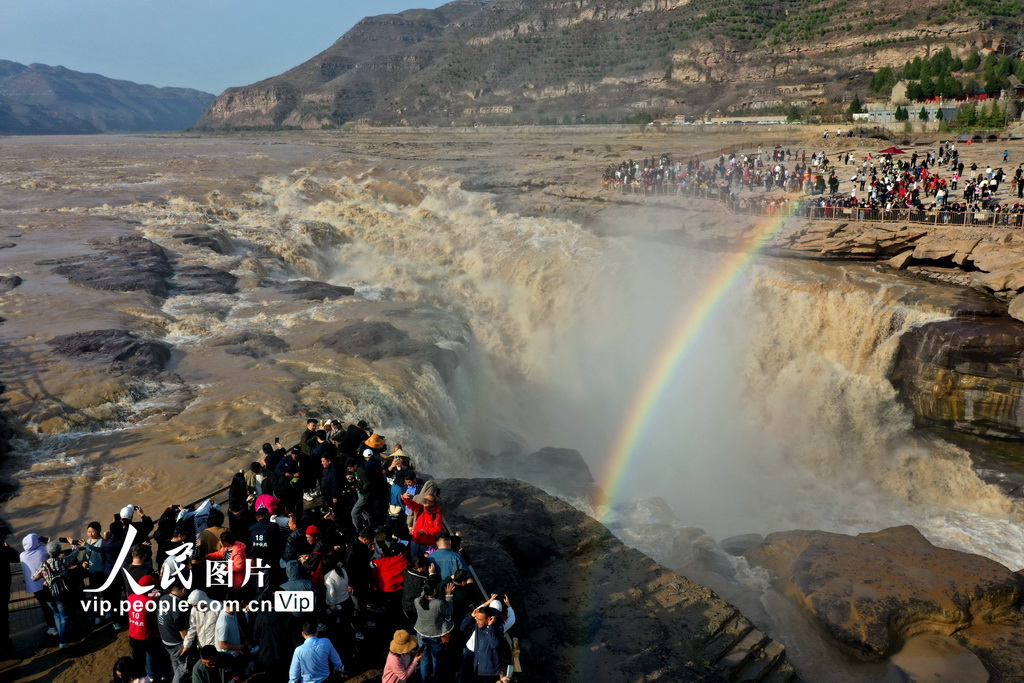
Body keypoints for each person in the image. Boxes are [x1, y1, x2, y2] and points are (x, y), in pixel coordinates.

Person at [33, 539, 82, 648]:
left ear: (48, 552)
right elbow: (75, 553)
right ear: (59, 551)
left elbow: (35, 578)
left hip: (48, 593)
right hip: (60, 591)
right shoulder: (63, 561)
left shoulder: (44, 564)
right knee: (64, 616)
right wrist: (73, 544)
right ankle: (63, 640)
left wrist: (45, 576)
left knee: (56, 614)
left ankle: (61, 637)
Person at [460, 599, 514, 683]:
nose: (477, 621)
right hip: (477, 658)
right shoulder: (482, 622)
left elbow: (494, 644)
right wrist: (509, 606)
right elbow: (463, 626)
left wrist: (489, 600)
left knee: (464, 674)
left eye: (480, 619)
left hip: (480, 659)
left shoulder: (496, 628)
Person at [414, 581, 456, 683]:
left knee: (424, 659)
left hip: (420, 633)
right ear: (435, 591)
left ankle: (425, 680)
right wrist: (449, 595)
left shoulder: (417, 601)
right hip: (435, 635)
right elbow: (449, 611)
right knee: (436, 659)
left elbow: (422, 596)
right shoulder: (438, 603)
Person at [20, 533, 56, 636]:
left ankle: (52, 627)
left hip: (35, 587)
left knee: (45, 607)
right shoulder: (43, 550)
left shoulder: (22, 556)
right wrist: (49, 542)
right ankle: (58, 624)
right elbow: (52, 553)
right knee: (53, 605)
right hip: (47, 584)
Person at [158, 580, 192, 683]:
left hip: (165, 639)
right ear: (183, 589)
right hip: (176, 642)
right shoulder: (178, 608)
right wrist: (188, 645)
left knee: (175, 661)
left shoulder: (163, 598)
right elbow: (183, 633)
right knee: (183, 667)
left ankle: (175, 674)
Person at [403, 491, 444, 558]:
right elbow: (411, 504)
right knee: (415, 561)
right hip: (415, 541)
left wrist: (424, 531)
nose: (425, 501)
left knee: (429, 561)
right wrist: (405, 498)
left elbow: (438, 529)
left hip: (428, 544)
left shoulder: (436, 514)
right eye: (424, 499)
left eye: (428, 500)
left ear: (433, 503)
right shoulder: (420, 509)